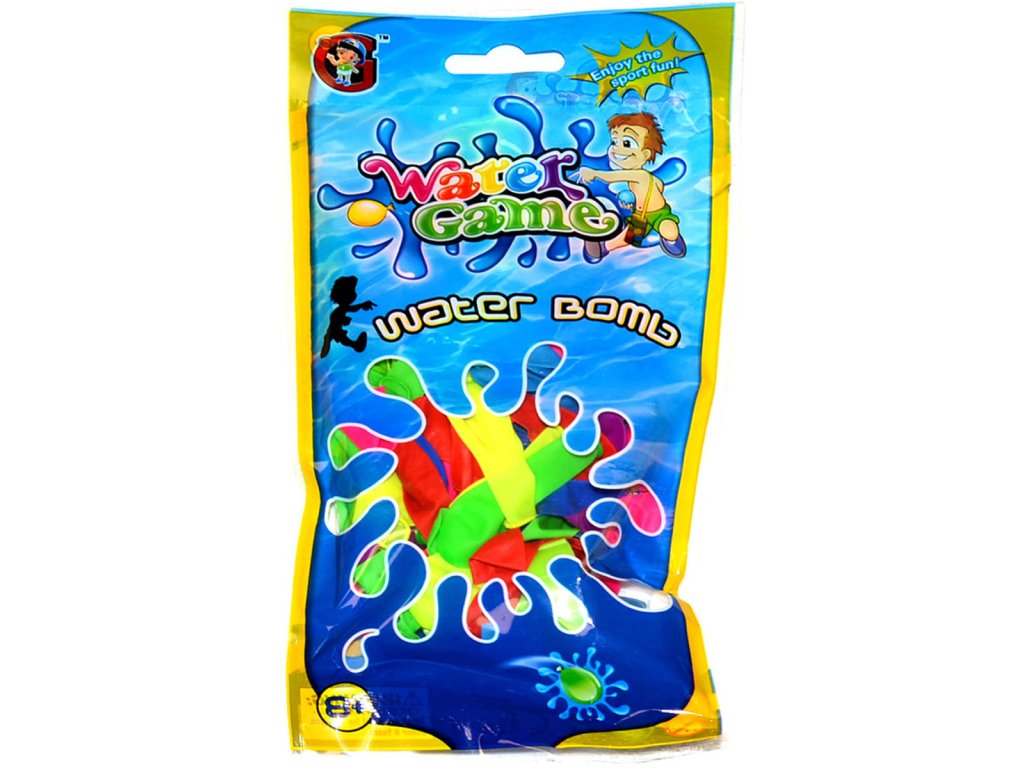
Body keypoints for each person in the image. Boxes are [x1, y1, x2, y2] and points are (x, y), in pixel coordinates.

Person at [576, 112, 686, 260]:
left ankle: (672, 241)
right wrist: (632, 202)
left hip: (660, 214)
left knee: (669, 230)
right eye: (614, 142)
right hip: (639, 216)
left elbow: (613, 177)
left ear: (645, 154)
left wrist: (594, 173)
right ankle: (603, 247)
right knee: (629, 237)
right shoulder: (643, 178)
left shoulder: (641, 175)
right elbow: (656, 187)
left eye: (627, 143)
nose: (617, 149)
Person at [321, 276, 376, 356]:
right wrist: (362, 305)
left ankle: (354, 345)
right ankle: (355, 345)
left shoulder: (341, 309)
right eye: (352, 291)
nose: (355, 294)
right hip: (335, 327)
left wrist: (362, 305)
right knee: (340, 335)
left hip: (335, 326)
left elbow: (351, 309)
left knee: (340, 335)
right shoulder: (340, 310)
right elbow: (352, 309)